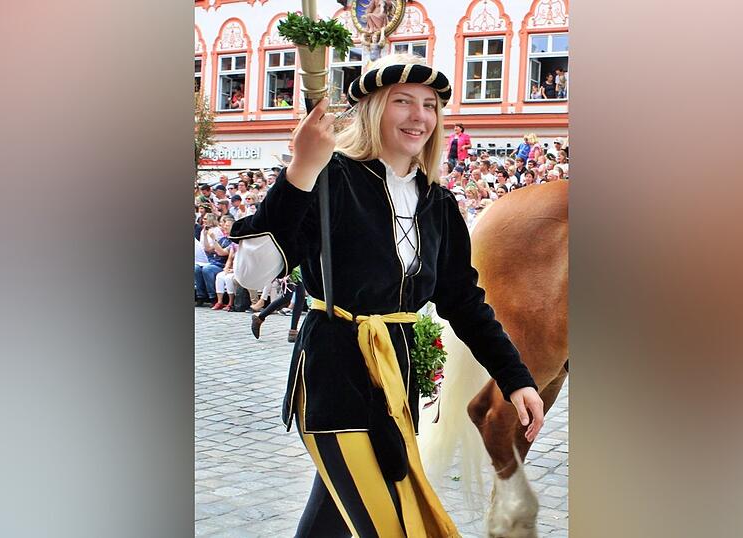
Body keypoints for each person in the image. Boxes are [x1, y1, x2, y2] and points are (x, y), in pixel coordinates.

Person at [229, 53, 543, 538]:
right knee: (392, 523)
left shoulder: (438, 202)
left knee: (330, 519)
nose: (419, 116)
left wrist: (515, 377)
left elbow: (464, 302)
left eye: (429, 105)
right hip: (333, 370)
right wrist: (300, 171)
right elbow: (254, 273)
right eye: (403, 102)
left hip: (394, 378)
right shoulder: (329, 177)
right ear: (374, 109)